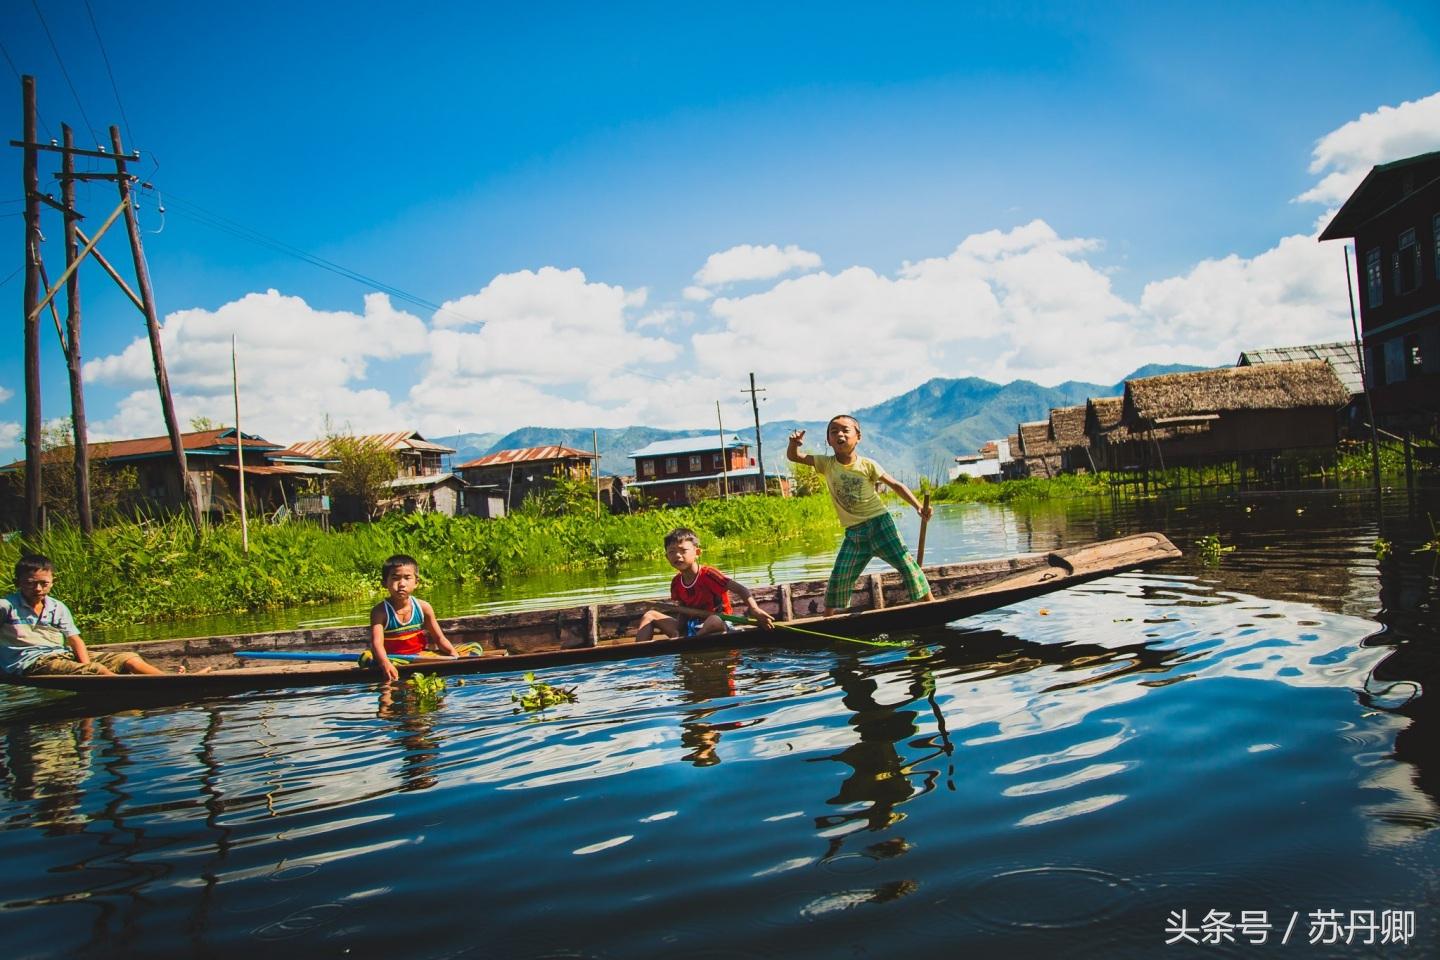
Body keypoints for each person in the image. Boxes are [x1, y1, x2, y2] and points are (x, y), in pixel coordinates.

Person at [787, 415, 933, 615]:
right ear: (828, 440)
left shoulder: (867, 464)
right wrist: (794, 444)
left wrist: (918, 506)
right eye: (834, 432)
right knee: (840, 576)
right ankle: (827, 619)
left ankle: (931, 604)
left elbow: (896, 485)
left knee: (908, 566)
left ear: (858, 437)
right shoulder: (826, 463)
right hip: (854, 534)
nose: (840, 434)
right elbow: (794, 457)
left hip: (881, 525)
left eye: (845, 430)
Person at [1, 554, 169, 676]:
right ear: (18, 583)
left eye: (43, 583)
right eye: (30, 583)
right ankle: (131, 689)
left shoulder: (56, 607)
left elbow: (74, 639)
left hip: (61, 654)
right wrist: (89, 669)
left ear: (52, 582)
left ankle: (169, 681)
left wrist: (86, 665)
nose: (38, 589)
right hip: (31, 662)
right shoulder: (6, 606)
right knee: (97, 670)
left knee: (128, 658)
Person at [635, 528, 775, 642]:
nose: (677, 555)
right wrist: (677, 629)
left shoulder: (709, 575)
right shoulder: (676, 582)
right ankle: (638, 655)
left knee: (713, 620)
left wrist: (754, 609)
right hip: (691, 626)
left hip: (719, 623)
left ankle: (692, 640)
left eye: (683, 550)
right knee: (650, 615)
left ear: (697, 553)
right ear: (667, 557)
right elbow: (683, 610)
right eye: (672, 552)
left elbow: (741, 589)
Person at [368, 554, 462, 682]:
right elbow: (377, 644)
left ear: (416, 582)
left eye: (407, 578)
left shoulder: (423, 607)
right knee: (368, 659)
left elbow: (439, 638)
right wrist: (385, 663)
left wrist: (454, 655)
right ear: (384, 583)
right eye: (395, 578)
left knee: (474, 648)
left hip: (419, 656)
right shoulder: (380, 612)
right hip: (393, 658)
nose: (402, 584)